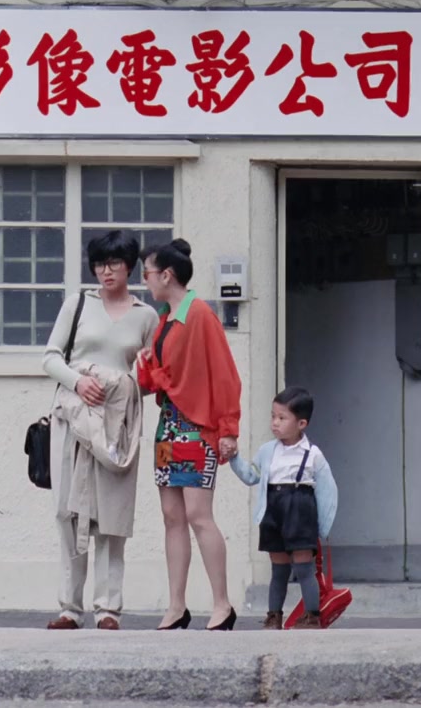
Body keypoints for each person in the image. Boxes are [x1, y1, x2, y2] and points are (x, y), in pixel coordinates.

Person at [42, 230, 159, 631]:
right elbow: (50, 358)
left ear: (129, 267)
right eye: (99, 265)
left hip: (117, 425)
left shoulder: (146, 315)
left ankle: (108, 609)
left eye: (114, 264)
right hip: (73, 418)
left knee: (112, 513)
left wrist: (125, 385)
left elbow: (150, 376)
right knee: (68, 511)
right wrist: (78, 382)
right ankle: (69, 608)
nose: (106, 272)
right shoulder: (77, 304)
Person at [136, 239, 241, 631]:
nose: (144, 281)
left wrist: (228, 429)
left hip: (197, 428)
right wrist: (146, 364)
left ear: (166, 275)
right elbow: (159, 381)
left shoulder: (199, 315)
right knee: (172, 516)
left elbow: (225, 375)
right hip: (170, 426)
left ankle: (222, 604)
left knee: (198, 515)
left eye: (147, 273)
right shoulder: (166, 318)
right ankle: (177, 606)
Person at [227, 387, 338, 630]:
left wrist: (323, 527)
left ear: (301, 423)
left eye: (282, 418)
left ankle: (312, 616)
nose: (275, 423)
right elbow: (252, 475)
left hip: (300, 508)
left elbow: (327, 490)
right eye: (273, 416)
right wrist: (234, 459)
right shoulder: (267, 450)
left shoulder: (312, 454)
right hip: (273, 508)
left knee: (304, 567)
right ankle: (274, 616)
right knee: (278, 568)